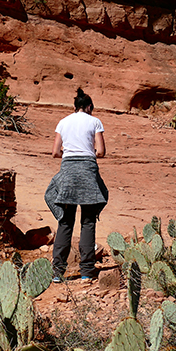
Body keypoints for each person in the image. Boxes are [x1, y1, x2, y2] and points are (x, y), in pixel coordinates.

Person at [44, 88, 108, 283]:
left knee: (65, 221)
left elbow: (55, 152)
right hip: (88, 171)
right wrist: (88, 153)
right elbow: (101, 151)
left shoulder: (63, 122)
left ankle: (57, 272)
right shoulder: (94, 121)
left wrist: (69, 154)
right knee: (88, 221)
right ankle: (87, 271)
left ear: (75, 107)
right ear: (89, 107)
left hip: (69, 171)